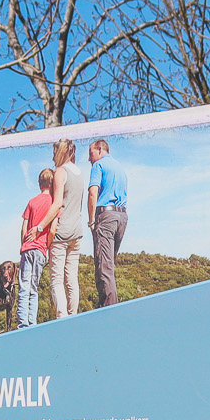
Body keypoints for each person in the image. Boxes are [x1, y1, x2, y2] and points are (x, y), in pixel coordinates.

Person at [47, 139, 88, 319]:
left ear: (60, 151)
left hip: (61, 232)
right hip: (76, 232)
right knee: (72, 278)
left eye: (54, 151)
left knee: (56, 280)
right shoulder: (80, 173)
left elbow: (57, 204)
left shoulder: (60, 172)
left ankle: (62, 318)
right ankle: (73, 315)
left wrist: (40, 226)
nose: (52, 156)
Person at [86, 138, 129, 308]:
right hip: (122, 217)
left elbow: (92, 193)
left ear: (100, 150)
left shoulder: (99, 166)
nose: (89, 158)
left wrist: (91, 221)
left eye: (91, 154)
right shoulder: (120, 168)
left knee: (104, 269)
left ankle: (109, 313)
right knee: (109, 266)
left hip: (106, 217)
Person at [18, 168, 57, 328]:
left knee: (24, 287)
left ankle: (22, 324)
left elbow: (24, 227)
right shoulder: (54, 204)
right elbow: (53, 230)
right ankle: (32, 323)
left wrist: (23, 244)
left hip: (27, 248)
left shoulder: (32, 201)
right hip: (41, 249)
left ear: (39, 183)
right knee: (34, 287)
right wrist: (46, 246)